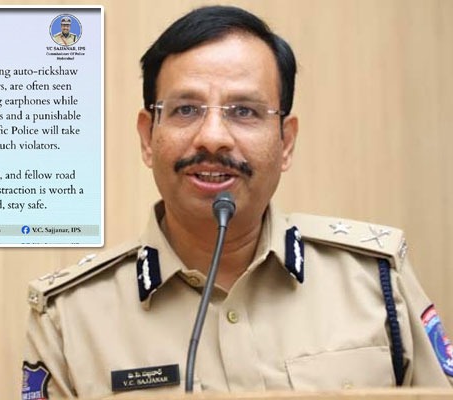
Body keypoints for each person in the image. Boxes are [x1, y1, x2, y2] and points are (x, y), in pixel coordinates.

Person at [23, 6, 453, 398]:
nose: (212, 137)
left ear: (286, 143)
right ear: (147, 138)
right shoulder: (69, 317)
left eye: (244, 111)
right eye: (186, 109)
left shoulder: (376, 279)